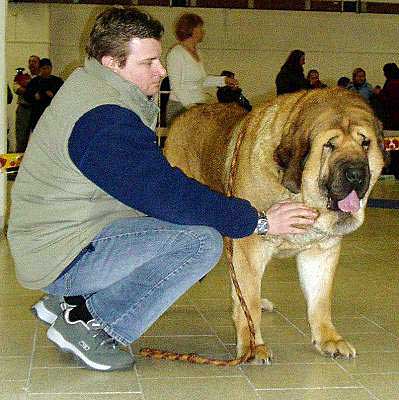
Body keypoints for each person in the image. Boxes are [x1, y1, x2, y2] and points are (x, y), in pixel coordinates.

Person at [7, 7, 317, 372]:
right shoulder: (104, 119)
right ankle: (92, 324)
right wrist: (260, 221)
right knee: (200, 242)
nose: (162, 70)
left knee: (172, 219)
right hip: (59, 251)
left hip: (56, 236)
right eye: (149, 62)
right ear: (112, 63)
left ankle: (67, 300)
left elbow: (154, 189)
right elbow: (168, 193)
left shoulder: (91, 86)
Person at [166, 13, 239, 125]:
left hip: (198, 106)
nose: (203, 31)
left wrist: (224, 80)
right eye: (200, 27)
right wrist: (193, 108)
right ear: (192, 30)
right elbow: (176, 87)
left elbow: (202, 80)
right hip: (181, 108)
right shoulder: (176, 53)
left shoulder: (198, 53)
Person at [373, 63, 399, 179]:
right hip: (395, 124)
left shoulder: (392, 84)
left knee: (393, 150)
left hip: (392, 125)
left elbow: (389, 102)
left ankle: (394, 171)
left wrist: (379, 94)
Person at [24, 58, 64, 131]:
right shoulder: (34, 81)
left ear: (51, 68)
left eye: (47, 68)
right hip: (37, 114)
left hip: (53, 115)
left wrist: (54, 95)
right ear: (40, 69)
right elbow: (27, 96)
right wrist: (34, 96)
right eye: (43, 68)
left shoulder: (58, 81)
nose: (46, 70)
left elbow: (63, 96)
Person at [12, 55, 40, 153]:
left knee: (37, 137)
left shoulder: (41, 77)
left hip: (37, 110)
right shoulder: (22, 76)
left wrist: (28, 88)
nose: (31, 63)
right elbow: (16, 88)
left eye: (34, 61)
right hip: (24, 109)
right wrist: (31, 91)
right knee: (21, 138)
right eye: (30, 61)